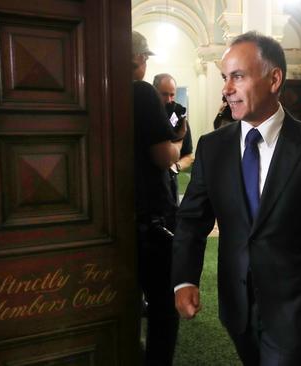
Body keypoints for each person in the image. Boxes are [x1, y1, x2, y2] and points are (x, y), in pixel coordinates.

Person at [172, 31, 301, 365]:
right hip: (236, 304)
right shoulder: (211, 148)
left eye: (238, 77)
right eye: (225, 78)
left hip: (294, 307)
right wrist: (184, 278)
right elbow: (192, 220)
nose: (226, 89)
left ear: (274, 79)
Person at [132, 30, 185, 366]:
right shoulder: (140, 93)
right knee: (165, 307)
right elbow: (164, 157)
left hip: (111, 216)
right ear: (139, 58)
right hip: (149, 222)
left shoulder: (94, 89)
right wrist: (177, 143)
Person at [152, 73, 195, 202]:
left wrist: (176, 167)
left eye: (172, 95)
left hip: (170, 189)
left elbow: (188, 156)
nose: (169, 100)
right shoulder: (146, 119)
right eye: (164, 94)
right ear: (154, 93)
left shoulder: (180, 122)